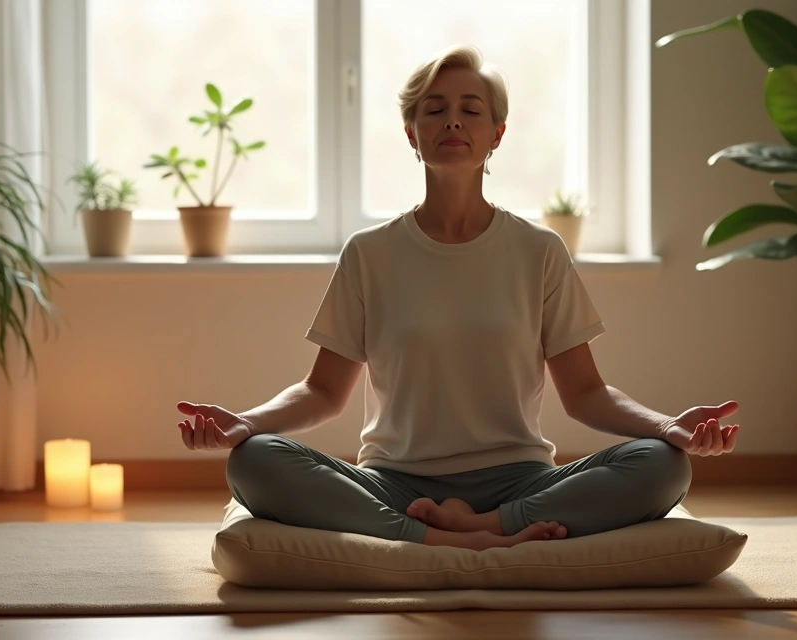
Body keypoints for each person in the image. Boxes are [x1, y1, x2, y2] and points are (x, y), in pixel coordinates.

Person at [176, 45, 740, 551]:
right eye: (434, 108)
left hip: (520, 479)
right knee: (254, 462)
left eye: (471, 109)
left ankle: (488, 527)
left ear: (497, 132)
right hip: (394, 482)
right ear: (411, 131)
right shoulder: (369, 253)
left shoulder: (539, 250)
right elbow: (323, 392)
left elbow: (586, 393)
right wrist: (244, 423)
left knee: (663, 466)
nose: (452, 120)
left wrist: (668, 427)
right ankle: (431, 533)